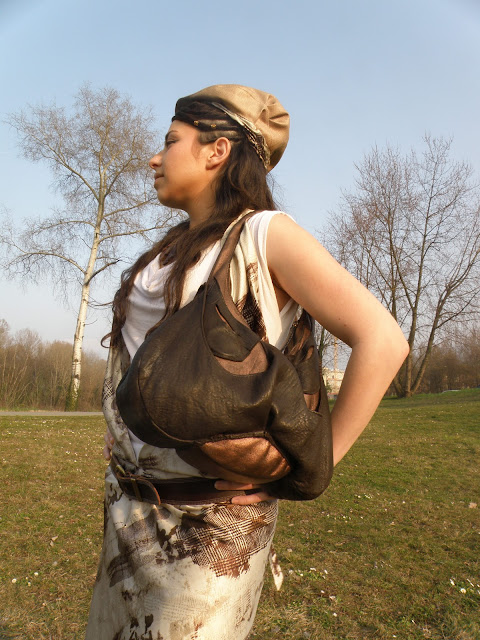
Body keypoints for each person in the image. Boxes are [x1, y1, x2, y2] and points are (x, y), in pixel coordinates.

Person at [86, 84, 409, 640]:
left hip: (212, 531)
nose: (154, 158)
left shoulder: (264, 234)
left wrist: (316, 461)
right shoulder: (169, 250)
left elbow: (383, 340)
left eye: (171, 141)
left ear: (217, 150)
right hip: (128, 511)